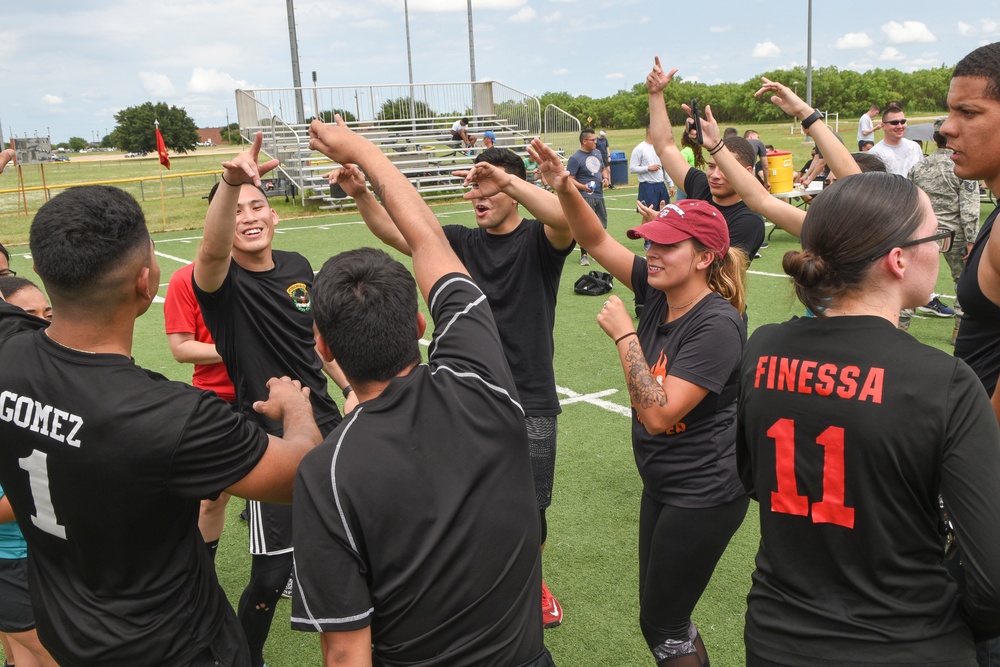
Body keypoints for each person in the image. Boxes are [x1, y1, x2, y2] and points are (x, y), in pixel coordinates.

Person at [0, 184, 322, 665]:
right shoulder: (172, 416)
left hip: (67, 632)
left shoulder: (9, 351)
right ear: (147, 282)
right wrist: (295, 405)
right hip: (174, 646)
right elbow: (301, 473)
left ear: (42, 272)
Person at [292, 116, 554, 667]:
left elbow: (345, 652)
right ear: (418, 323)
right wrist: (362, 149)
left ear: (324, 346)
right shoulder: (484, 386)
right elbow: (426, 237)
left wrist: (296, 417)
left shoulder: (326, 472)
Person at [736, 171, 1000, 666]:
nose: (941, 250)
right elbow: (992, 584)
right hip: (908, 643)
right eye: (935, 237)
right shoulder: (942, 381)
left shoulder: (762, 348)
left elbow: (754, 479)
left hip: (776, 638)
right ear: (898, 259)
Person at [332, 142, 575, 629]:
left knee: (531, 503)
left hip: (530, 397)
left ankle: (531, 579)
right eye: (474, 187)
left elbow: (564, 218)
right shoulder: (461, 241)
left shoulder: (537, 241)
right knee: (461, 495)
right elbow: (398, 231)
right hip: (456, 393)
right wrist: (361, 194)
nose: (478, 195)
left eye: (488, 186)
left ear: (512, 188)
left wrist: (507, 178)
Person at [538, 134, 750, 666]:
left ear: (704, 256)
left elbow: (657, 414)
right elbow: (596, 237)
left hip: (704, 492)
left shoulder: (718, 324)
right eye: (650, 242)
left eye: (666, 245)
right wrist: (566, 189)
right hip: (665, 485)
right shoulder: (658, 292)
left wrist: (625, 337)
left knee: (664, 623)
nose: (651, 253)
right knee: (658, 618)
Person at [193, 132, 349, 667]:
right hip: (267, 440)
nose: (249, 216)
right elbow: (211, 251)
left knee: (354, 543)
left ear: (274, 214)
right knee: (271, 573)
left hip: (328, 425)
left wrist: (349, 389)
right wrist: (231, 183)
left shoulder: (299, 266)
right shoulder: (221, 283)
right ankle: (245, 657)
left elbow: (313, 342)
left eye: (257, 205)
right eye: (237, 211)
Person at [646, 57, 765, 266]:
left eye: (725, 169)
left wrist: (670, 226)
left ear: (747, 171)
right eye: (711, 166)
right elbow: (665, 147)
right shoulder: (702, 186)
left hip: (716, 298)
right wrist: (655, 94)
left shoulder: (748, 222)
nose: (715, 175)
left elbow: (715, 270)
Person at [164, 261, 238, 562]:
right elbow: (181, 349)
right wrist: (238, 347)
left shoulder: (271, 270)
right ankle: (201, 571)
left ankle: (287, 565)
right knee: (212, 498)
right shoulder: (184, 279)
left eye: (255, 208)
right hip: (218, 400)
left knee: (291, 489)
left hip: (272, 392)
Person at [909, 118, 979, 321]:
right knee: (963, 281)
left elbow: (910, 201)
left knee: (911, 277)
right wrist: (972, 239)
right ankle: (959, 329)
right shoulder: (962, 167)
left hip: (922, 230)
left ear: (934, 138)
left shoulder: (919, 167)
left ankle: (900, 325)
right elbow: (969, 208)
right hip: (954, 233)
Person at [1, 482, 58, 667]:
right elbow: (17, 502)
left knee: (22, 651)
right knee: (55, 655)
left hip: (20, 556)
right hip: (14, 560)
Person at [567, 129, 610, 265]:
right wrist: (583, 187)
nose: (596, 142)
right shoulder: (575, 158)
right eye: (593, 140)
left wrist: (605, 178)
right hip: (585, 196)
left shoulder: (597, 153)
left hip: (599, 195)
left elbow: (603, 169)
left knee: (601, 224)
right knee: (586, 226)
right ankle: (584, 255)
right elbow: (570, 179)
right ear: (584, 141)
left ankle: (597, 252)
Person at [869, 103, 923, 177]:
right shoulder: (875, 153)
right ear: (883, 126)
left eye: (903, 122)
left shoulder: (915, 147)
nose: (900, 126)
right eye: (894, 123)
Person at [630, 125, 675, 214]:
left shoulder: (659, 148)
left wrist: (670, 184)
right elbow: (632, 168)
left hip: (661, 186)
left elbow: (664, 167)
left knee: (665, 214)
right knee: (648, 215)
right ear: (651, 132)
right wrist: (648, 168)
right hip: (647, 187)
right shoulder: (639, 149)